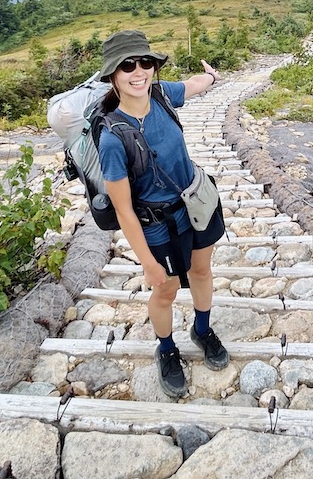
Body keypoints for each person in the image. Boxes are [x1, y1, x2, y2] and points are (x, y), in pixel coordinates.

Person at [96, 29, 225, 398]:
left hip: (195, 206)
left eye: (146, 62)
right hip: (156, 224)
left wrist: (213, 76)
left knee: (201, 270)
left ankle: (202, 329)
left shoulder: (163, 95)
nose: (139, 72)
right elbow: (123, 210)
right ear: (112, 75)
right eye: (128, 66)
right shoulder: (112, 139)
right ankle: (166, 349)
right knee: (165, 289)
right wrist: (147, 263)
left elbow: (194, 84)